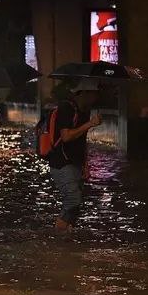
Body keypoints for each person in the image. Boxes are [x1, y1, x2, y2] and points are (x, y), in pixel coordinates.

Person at [48, 78, 102, 234]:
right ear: (83, 93)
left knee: (76, 204)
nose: (96, 97)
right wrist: (90, 124)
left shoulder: (84, 111)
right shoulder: (66, 108)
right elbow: (66, 136)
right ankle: (57, 235)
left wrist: (85, 163)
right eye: (93, 94)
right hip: (62, 162)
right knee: (73, 199)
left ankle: (66, 236)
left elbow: (81, 138)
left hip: (75, 162)